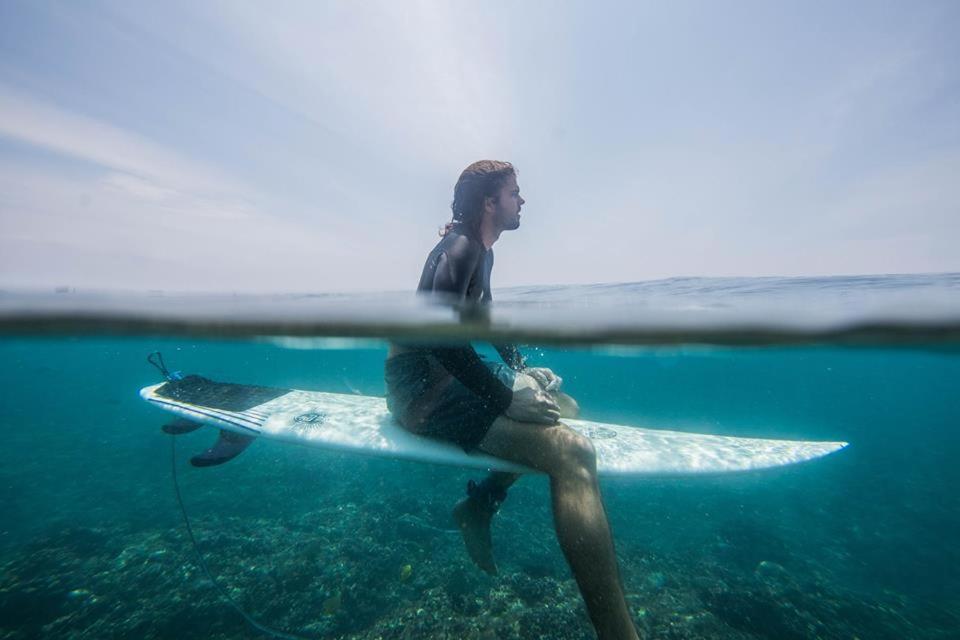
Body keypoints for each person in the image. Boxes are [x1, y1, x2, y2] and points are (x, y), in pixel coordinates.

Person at [384, 161, 639, 640]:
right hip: (418, 387)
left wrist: (521, 371)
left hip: (444, 373)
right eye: (515, 193)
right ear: (489, 203)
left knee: (564, 408)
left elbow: (485, 322)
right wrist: (505, 399)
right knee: (573, 453)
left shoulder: (482, 253)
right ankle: (620, 634)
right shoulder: (458, 248)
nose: (522, 202)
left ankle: (481, 503)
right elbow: (441, 340)